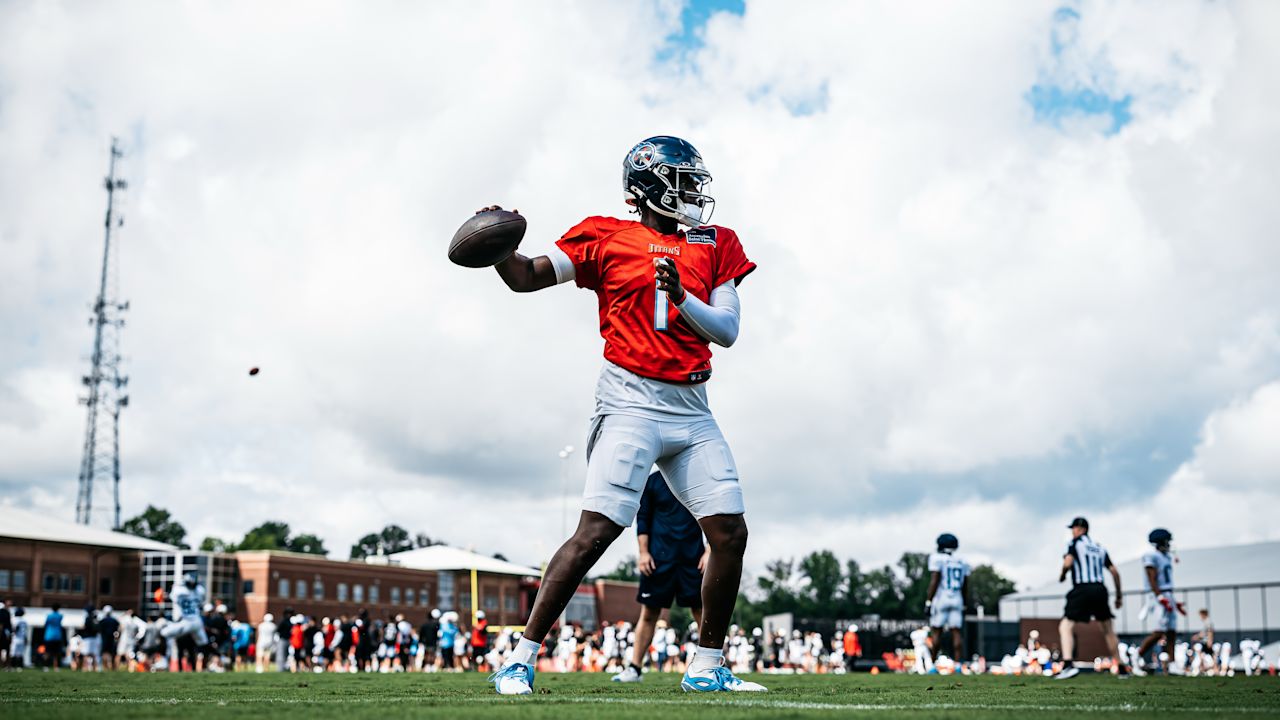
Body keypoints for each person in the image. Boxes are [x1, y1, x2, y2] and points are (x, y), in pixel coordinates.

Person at [485, 136, 763, 696]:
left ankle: (707, 665)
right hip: (630, 399)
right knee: (595, 534)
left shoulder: (716, 240)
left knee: (729, 532)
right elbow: (526, 276)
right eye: (682, 181)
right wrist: (496, 246)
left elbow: (727, 331)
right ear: (648, 187)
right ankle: (519, 659)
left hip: (691, 405)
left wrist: (683, 296)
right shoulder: (605, 235)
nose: (694, 192)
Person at [612, 470, 709, 683]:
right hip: (658, 559)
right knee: (649, 613)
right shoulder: (652, 482)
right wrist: (643, 552)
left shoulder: (696, 478)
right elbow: (643, 518)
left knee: (702, 611)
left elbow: (712, 513)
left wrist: (710, 550)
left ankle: (710, 667)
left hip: (693, 558)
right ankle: (634, 669)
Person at [1053, 517, 1127, 679]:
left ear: (1082, 529)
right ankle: (1121, 667)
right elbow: (1114, 572)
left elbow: (1068, 562)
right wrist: (1119, 595)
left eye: (1075, 528)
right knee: (1108, 630)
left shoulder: (1075, 544)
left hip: (1082, 588)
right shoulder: (1099, 548)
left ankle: (1067, 664)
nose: (1073, 531)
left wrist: (1063, 574)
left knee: (1066, 626)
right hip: (1100, 589)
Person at [1134, 528, 1185, 673]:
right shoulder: (1151, 556)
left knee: (1171, 631)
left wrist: (1173, 601)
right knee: (1159, 631)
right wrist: (1159, 596)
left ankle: (1172, 663)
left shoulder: (1166, 557)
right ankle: (1137, 656)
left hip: (1168, 593)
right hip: (1158, 594)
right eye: (1167, 541)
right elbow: (1152, 577)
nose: (1169, 544)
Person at [926, 533, 970, 665]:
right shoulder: (963, 561)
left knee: (936, 631)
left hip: (942, 598)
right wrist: (965, 603)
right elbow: (965, 585)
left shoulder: (937, 558)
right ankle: (957, 665)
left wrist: (928, 601)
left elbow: (935, 581)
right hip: (957, 598)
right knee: (956, 632)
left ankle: (932, 665)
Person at [162, 573, 211, 672]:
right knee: (203, 645)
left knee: (164, 633)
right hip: (196, 621)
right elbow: (200, 599)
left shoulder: (178, 590)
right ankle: (201, 666)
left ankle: (173, 664)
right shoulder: (199, 591)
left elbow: (169, 595)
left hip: (185, 622)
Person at [98, 605, 121, 671]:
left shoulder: (102, 621)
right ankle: (111, 667)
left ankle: (105, 667)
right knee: (111, 654)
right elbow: (118, 629)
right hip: (111, 639)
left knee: (104, 653)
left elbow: (99, 630)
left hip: (104, 639)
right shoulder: (114, 621)